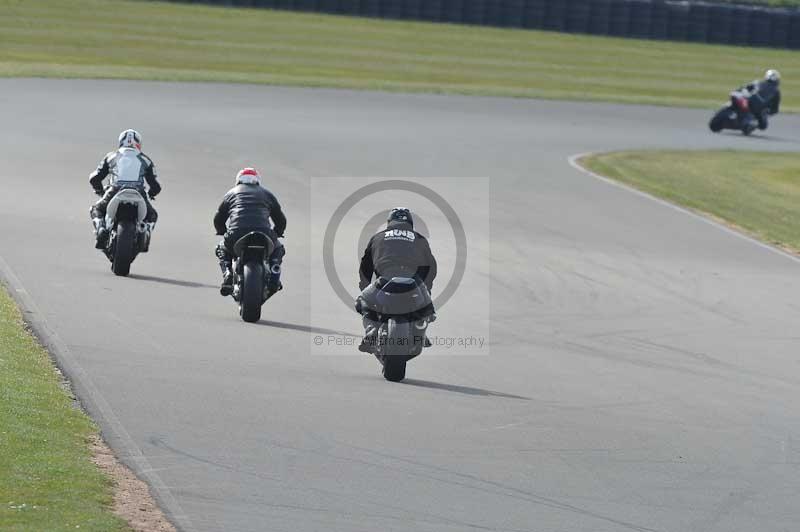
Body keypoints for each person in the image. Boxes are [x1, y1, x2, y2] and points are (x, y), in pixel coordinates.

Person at [356, 208, 437, 353]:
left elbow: (365, 266)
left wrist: (365, 287)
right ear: (410, 223)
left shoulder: (378, 237)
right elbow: (431, 266)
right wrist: (426, 288)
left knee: (362, 301)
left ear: (389, 223)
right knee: (428, 311)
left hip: (385, 279)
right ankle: (420, 332)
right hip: (414, 281)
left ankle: (371, 329)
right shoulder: (419, 238)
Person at [213, 168, 286, 297]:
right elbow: (280, 219)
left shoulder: (231, 193)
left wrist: (222, 231)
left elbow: (218, 218)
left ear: (238, 181)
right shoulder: (267, 194)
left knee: (222, 248)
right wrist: (278, 232)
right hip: (264, 232)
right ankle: (275, 271)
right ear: (257, 181)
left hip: (236, 233)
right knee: (278, 248)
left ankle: (228, 273)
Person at [89, 129, 161, 248]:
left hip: (115, 189)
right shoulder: (146, 160)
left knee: (96, 209)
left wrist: (100, 191)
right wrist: (151, 194)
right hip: (139, 191)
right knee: (152, 215)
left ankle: (101, 229)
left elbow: (94, 178)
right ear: (138, 143)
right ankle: (145, 231)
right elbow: (156, 186)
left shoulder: (111, 156)